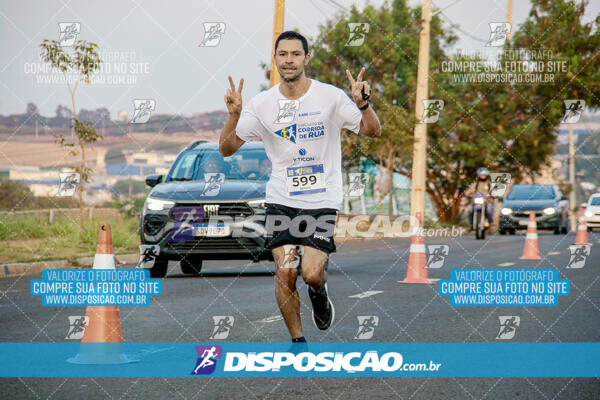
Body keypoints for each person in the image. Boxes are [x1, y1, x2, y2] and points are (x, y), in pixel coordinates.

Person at [219, 31, 381, 343]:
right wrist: (234, 116)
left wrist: (363, 106)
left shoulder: (330, 97)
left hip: (322, 198)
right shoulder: (261, 104)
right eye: (283, 54)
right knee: (285, 272)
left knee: (309, 274)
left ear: (307, 58)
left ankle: (318, 291)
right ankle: (298, 342)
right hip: (281, 199)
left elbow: (372, 131)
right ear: (275, 59)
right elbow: (227, 148)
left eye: (295, 54)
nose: (289, 60)